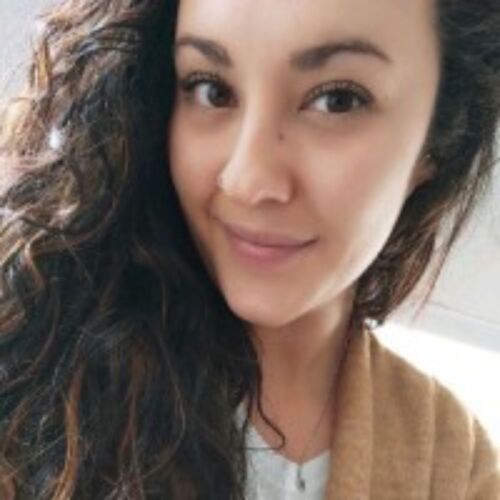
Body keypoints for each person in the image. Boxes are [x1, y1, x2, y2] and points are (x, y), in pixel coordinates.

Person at [0, 0, 499, 498]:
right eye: (212, 90)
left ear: (439, 136)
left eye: (338, 100)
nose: (248, 179)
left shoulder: (455, 464)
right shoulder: (30, 364)